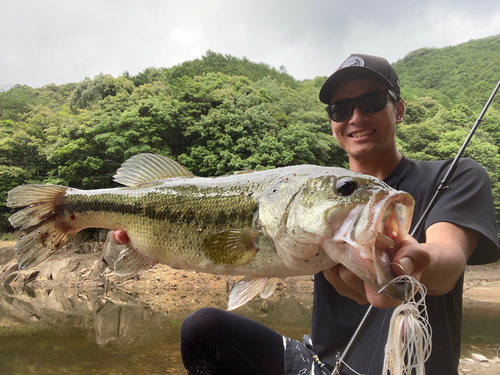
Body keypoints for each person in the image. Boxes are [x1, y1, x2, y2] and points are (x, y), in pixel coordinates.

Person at [111, 54, 500, 374]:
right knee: (203, 329)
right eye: (341, 107)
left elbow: (448, 262)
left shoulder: (456, 176)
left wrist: (415, 262)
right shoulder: (304, 191)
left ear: (398, 109)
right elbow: (235, 250)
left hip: (407, 367)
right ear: (332, 122)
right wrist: (140, 246)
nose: (356, 117)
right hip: (319, 366)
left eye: (371, 101)